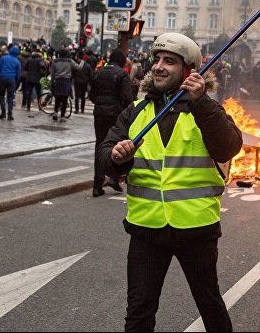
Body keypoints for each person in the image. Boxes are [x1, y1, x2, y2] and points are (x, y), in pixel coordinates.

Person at [96, 33, 243, 332]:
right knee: (138, 314)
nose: (159, 67)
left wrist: (201, 103)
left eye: (170, 61)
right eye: (157, 60)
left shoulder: (205, 111)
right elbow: (103, 156)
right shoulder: (137, 111)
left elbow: (229, 146)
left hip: (195, 230)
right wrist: (115, 156)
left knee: (210, 307)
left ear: (188, 71)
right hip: (146, 229)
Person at [90, 48, 133, 197]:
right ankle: (114, 179)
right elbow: (127, 98)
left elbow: (92, 95)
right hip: (116, 114)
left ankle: (97, 184)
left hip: (99, 113)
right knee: (117, 146)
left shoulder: (99, 72)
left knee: (100, 146)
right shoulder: (122, 74)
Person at [50, 48, 82, 122]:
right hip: (66, 81)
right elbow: (78, 68)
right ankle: (62, 116)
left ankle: (55, 113)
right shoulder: (70, 61)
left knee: (57, 99)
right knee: (64, 99)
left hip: (58, 81)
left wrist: (52, 83)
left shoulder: (55, 61)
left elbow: (52, 74)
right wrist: (82, 61)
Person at [0, 45, 21, 120]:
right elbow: (18, 75)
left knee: (2, 96)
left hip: (3, 78)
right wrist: (17, 85)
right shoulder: (17, 61)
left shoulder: (3, 58)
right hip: (12, 80)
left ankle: (3, 113)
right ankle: (10, 114)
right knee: (10, 97)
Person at [25, 46, 47, 112]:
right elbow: (43, 67)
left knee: (29, 93)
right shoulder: (40, 60)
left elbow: (25, 67)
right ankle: (40, 107)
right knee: (38, 93)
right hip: (37, 78)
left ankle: (28, 107)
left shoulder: (29, 59)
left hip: (29, 78)